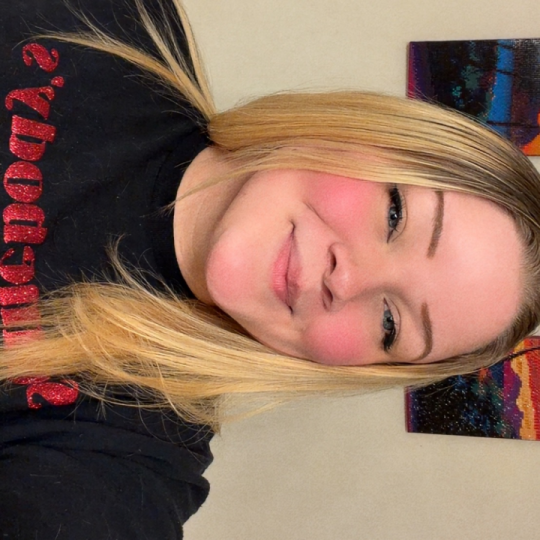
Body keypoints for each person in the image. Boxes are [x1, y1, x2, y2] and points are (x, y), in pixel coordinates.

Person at [1, 0, 539, 538]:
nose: (348, 281)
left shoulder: (134, 458)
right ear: (364, 134)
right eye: (395, 215)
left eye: (390, 325)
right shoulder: (110, 20)